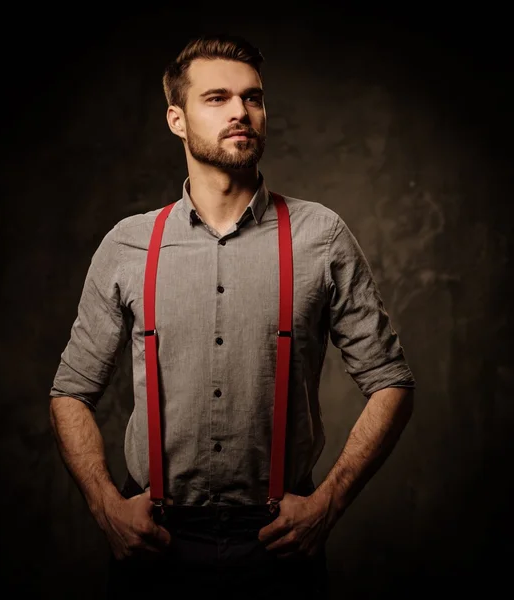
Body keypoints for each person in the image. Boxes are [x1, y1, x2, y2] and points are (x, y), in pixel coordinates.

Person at [49, 32, 416, 599]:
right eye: (216, 98)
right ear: (177, 119)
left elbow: (390, 382)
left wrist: (329, 502)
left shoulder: (322, 236)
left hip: (279, 543)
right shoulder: (129, 244)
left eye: (253, 98)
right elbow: (71, 390)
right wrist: (104, 507)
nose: (241, 111)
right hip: (154, 540)